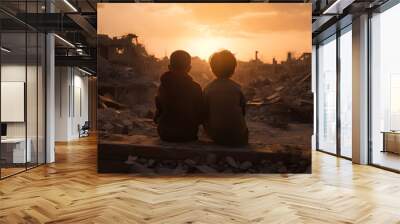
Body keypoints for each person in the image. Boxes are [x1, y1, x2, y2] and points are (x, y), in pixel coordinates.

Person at [154, 50, 203, 142]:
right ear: (189, 68)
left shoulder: (163, 87)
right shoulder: (195, 88)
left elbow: (158, 114)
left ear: (169, 67)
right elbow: (200, 116)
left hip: (165, 134)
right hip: (188, 134)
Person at [203, 50, 248, 146]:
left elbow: (204, 114)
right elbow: (243, 112)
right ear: (233, 70)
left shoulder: (208, 89)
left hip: (217, 137)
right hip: (239, 138)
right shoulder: (237, 88)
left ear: (212, 69)